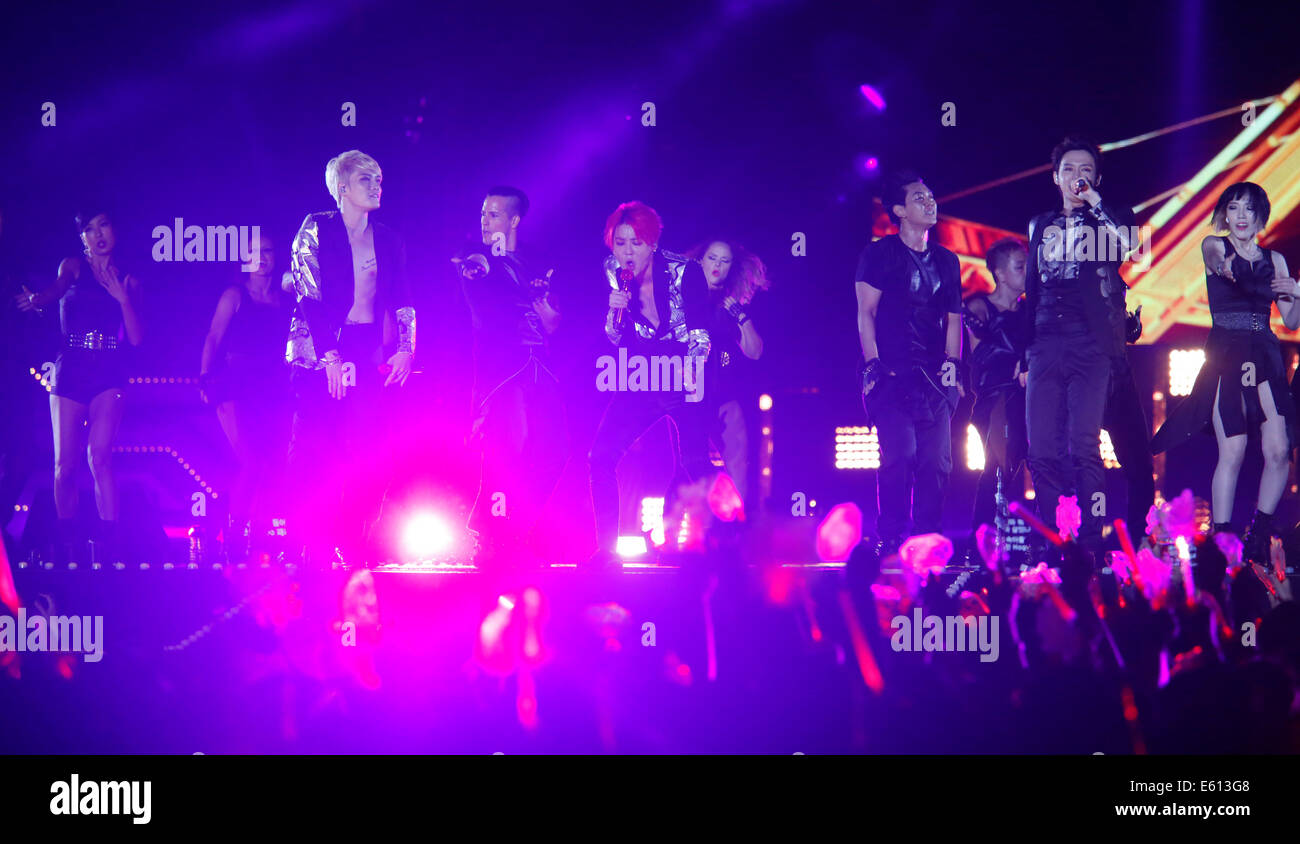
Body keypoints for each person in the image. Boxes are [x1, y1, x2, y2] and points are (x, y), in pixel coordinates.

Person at [1151, 182, 1298, 562]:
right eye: (1234, 208)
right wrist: (1255, 277)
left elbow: (1292, 321)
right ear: (1225, 214)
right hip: (1226, 352)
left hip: (1264, 351)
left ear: (1261, 215)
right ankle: (1222, 542)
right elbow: (1225, 270)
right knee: (1232, 449)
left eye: (1249, 209)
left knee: (1280, 450)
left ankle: (1259, 534)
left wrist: (1296, 294)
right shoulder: (1214, 246)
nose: (1241, 216)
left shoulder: (1277, 260)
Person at [286, 150, 415, 564]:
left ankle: (354, 537)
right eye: (365, 179)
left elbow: (403, 299)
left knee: (366, 446)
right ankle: (311, 540)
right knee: (315, 445)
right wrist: (329, 357)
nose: (377, 185)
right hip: (319, 348)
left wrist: (406, 349)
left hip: (364, 348)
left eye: (379, 178)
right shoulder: (316, 229)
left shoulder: (390, 238)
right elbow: (309, 297)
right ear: (342, 187)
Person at [1023, 137, 1135, 560]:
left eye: (1085, 170)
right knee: (1041, 449)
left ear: (1096, 178)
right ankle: (1051, 538)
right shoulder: (1038, 224)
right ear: (1055, 177)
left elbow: (1130, 249)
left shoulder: (1112, 219)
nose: (1077, 177)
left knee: (1084, 443)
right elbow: (1032, 288)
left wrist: (1096, 201)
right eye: (1069, 169)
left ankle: (1090, 540)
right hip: (1043, 340)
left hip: (1090, 342)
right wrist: (1024, 349)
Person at [586, 201, 712, 570]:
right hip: (642, 373)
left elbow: (701, 335)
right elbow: (613, 336)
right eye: (620, 242)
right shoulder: (612, 270)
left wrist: (690, 379)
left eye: (636, 243)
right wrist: (613, 309)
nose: (627, 251)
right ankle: (606, 550)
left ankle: (708, 545)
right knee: (600, 457)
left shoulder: (685, 272)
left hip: (686, 367)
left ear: (652, 244)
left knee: (693, 461)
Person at [15, 208, 143, 562]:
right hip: (70, 368)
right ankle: (67, 542)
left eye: (103, 224)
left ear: (113, 229)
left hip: (109, 371)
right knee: (64, 466)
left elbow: (135, 338)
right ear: (82, 238)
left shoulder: (128, 278)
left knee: (99, 457)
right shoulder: (72, 266)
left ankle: (109, 543)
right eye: (89, 229)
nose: (98, 233)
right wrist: (39, 299)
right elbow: (55, 290)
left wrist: (123, 299)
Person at [455, 186, 566, 568]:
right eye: (483, 214)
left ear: (514, 220)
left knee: (555, 449)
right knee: (508, 446)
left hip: (541, 366)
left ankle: (517, 531)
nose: (485, 222)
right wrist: (532, 306)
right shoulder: (478, 261)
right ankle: (489, 536)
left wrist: (549, 316)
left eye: (494, 215)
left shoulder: (536, 263)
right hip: (502, 369)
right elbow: (490, 314)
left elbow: (555, 320)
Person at [856, 171, 963, 555]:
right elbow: (866, 312)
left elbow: (954, 318)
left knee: (937, 463)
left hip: (934, 378)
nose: (929, 202)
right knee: (899, 455)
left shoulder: (948, 261)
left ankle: (927, 538)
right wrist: (873, 363)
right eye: (919, 197)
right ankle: (891, 535)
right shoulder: (879, 254)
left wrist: (953, 365)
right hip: (892, 374)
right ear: (899, 210)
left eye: (931, 195)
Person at [199, 232, 292, 558]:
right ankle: (235, 538)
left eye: (267, 251)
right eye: (254, 252)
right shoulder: (235, 294)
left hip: (274, 388)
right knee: (250, 462)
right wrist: (204, 376)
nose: (262, 257)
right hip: (235, 385)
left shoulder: (284, 297)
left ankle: (259, 536)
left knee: (270, 464)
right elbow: (213, 335)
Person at [689, 238, 769, 509]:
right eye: (713, 258)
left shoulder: (730, 307)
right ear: (701, 261)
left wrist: (741, 316)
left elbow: (755, 352)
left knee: (737, 465)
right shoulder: (681, 298)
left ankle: (736, 529)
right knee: (688, 464)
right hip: (686, 400)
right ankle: (684, 529)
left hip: (723, 396)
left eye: (725, 261)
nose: (717, 265)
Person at [964, 237, 1028, 533]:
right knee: (996, 468)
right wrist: (1013, 364)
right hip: (995, 399)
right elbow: (978, 352)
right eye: (1019, 266)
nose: (1027, 271)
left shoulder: (1030, 311)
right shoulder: (979, 307)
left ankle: (1041, 542)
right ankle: (983, 543)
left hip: (1031, 399)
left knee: (1039, 464)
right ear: (1000, 273)